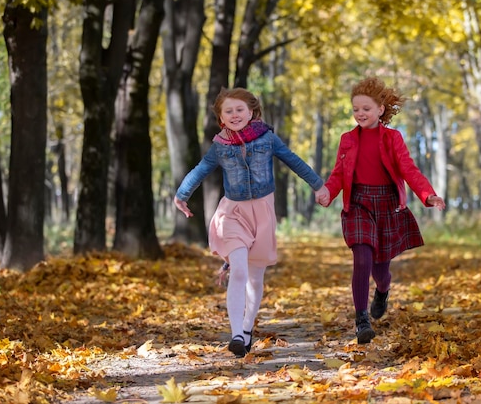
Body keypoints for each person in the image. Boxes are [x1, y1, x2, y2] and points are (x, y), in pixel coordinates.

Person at [175, 87, 328, 357]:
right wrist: (181, 195)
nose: (235, 115)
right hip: (232, 214)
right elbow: (200, 170)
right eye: (228, 111)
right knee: (239, 271)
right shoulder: (219, 147)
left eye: (239, 110)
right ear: (221, 118)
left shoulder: (268, 139)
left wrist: (318, 186)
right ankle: (235, 335)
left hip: (263, 214)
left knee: (255, 279)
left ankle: (246, 329)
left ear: (251, 112)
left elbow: (293, 160)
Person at [315, 77, 445, 344]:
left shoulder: (393, 138)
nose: (360, 114)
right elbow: (339, 173)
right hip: (359, 202)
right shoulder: (348, 139)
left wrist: (428, 194)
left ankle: (383, 289)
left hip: (386, 203)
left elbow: (409, 169)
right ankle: (361, 319)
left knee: (380, 268)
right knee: (361, 255)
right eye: (356, 109)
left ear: (380, 110)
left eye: (366, 108)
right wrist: (328, 191)